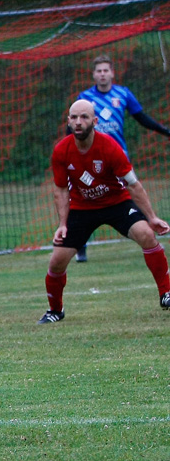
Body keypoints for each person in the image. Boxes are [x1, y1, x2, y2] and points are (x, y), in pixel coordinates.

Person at [38, 99, 170, 324]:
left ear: (95, 121)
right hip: (81, 208)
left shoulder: (109, 146)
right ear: (68, 121)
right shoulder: (61, 150)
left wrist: (152, 217)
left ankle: (166, 293)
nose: (78, 122)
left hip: (117, 203)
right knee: (56, 261)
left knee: (147, 235)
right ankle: (55, 311)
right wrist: (63, 224)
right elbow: (60, 190)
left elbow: (133, 185)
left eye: (84, 117)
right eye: (74, 118)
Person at [72, 54, 170, 262]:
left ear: (112, 73)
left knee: (131, 194)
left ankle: (147, 235)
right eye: (99, 71)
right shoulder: (85, 97)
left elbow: (141, 118)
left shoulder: (123, 94)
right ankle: (80, 246)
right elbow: (73, 128)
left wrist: (165, 131)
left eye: (106, 70)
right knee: (83, 198)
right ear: (93, 74)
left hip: (117, 159)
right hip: (89, 161)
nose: (102, 74)